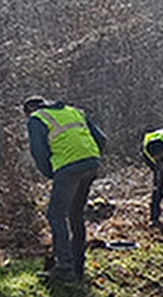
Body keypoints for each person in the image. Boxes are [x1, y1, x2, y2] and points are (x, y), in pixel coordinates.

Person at [24, 96, 106, 282]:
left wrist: (51, 173)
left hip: (68, 167)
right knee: (76, 214)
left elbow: (39, 151)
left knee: (55, 214)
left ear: (29, 110)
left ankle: (64, 268)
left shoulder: (36, 118)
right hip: (91, 162)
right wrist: (90, 156)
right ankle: (78, 265)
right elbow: (101, 138)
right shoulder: (74, 111)